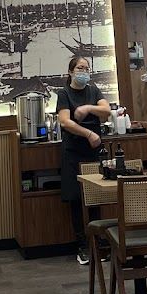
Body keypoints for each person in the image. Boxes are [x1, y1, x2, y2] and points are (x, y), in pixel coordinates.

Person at [56, 55, 111, 265]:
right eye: (80, 68)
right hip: (74, 151)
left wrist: (88, 108)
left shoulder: (93, 90)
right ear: (71, 72)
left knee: (95, 196)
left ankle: (99, 243)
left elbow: (106, 110)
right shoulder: (64, 93)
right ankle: (82, 246)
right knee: (77, 199)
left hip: (93, 152)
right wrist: (88, 134)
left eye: (86, 68)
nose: (84, 71)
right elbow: (65, 122)